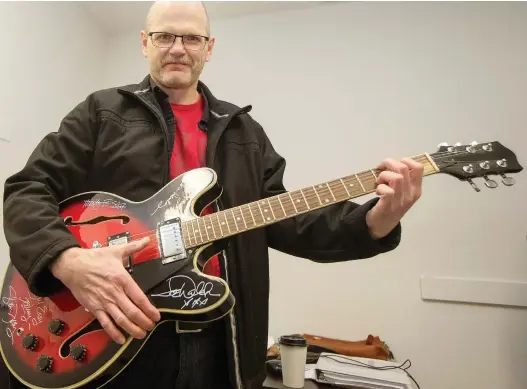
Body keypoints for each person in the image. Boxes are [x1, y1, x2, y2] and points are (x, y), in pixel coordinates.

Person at [2, 1, 423, 389]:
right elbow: (27, 188)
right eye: (165, 36)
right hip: (117, 333)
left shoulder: (245, 134)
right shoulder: (101, 112)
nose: (178, 48)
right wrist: (66, 259)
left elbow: (289, 220)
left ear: (209, 47)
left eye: (191, 38)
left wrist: (378, 219)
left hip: (222, 344)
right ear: (145, 42)